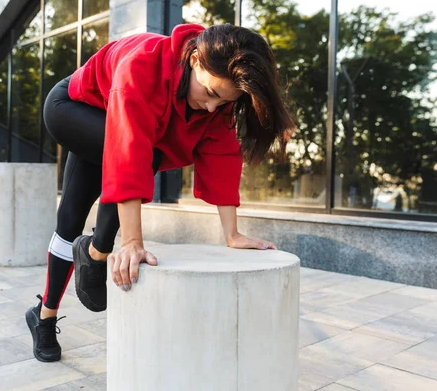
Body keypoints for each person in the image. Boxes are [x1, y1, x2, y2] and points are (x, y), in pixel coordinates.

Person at [24, 22, 296, 362]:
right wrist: (132, 243)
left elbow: (223, 156)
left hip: (111, 120)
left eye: (224, 101)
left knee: (79, 211)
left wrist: (232, 234)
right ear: (195, 59)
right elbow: (130, 153)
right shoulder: (143, 66)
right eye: (211, 94)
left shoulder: (218, 96)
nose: (213, 107)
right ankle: (73, 282)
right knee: (80, 211)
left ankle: (67, 286)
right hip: (72, 108)